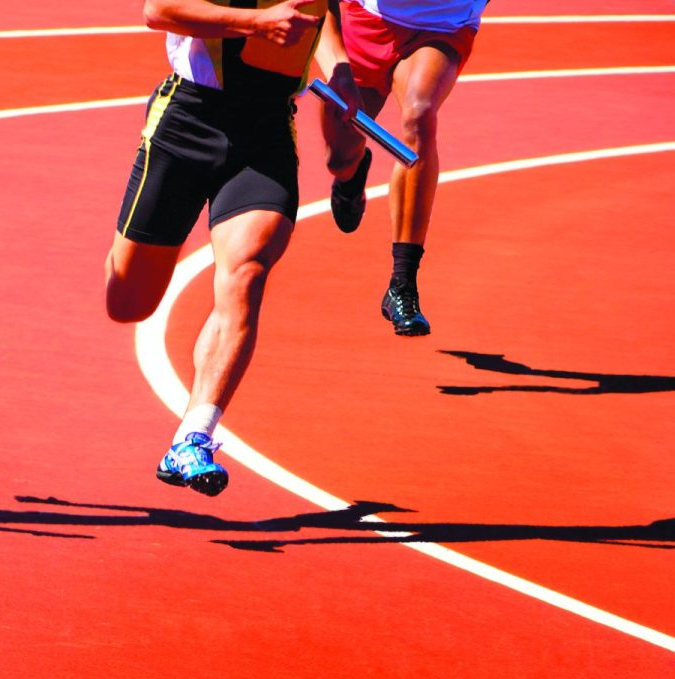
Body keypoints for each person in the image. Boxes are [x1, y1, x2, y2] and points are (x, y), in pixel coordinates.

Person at [104, 0, 357, 496]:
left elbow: (318, 13)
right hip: (186, 121)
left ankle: (194, 435)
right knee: (127, 302)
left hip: (264, 136)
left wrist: (341, 69)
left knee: (246, 271)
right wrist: (258, 23)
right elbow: (158, 10)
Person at [319, 0, 487, 335]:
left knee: (419, 113)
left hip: (443, 24)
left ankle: (402, 283)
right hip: (362, 19)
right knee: (339, 156)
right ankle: (350, 176)